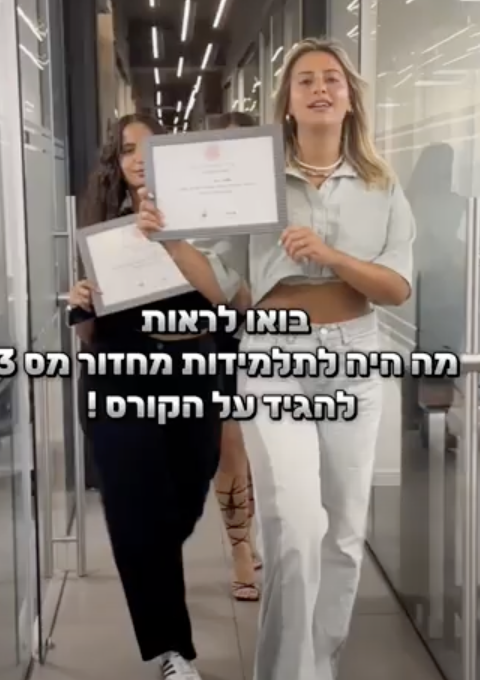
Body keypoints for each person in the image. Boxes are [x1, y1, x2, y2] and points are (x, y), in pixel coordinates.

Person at [140, 37, 415, 680]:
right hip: (274, 356)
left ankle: (318, 667)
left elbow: (397, 287)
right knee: (294, 526)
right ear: (287, 102)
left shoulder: (381, 184)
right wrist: (170, 241)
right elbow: (224, 288)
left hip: (354, 357)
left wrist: (332, 256)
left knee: (343, 534)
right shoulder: (256, 185)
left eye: (332, 79)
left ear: (350, 99)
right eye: (305, 81)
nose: (320, 88)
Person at [68, 113, 246, 680]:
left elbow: (232, 300)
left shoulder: (205, 216)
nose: (138, 159)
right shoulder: (103, 227)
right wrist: (81, 303)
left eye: (150, 149)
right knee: (136, 512)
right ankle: (173, 650)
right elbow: (87, 332)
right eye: (127, 150)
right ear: (116, 162)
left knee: (187, 493)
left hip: (193, 372)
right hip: (118, 377)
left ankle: (152, 555)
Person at [207, 111, 262, 602]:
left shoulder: (274, 200)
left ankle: (251, 534)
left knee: (262, 448)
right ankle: (241, 548)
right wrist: (234, 287)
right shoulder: (199, 202)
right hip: (220, 332)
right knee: (232, 444)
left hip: (276, 334)